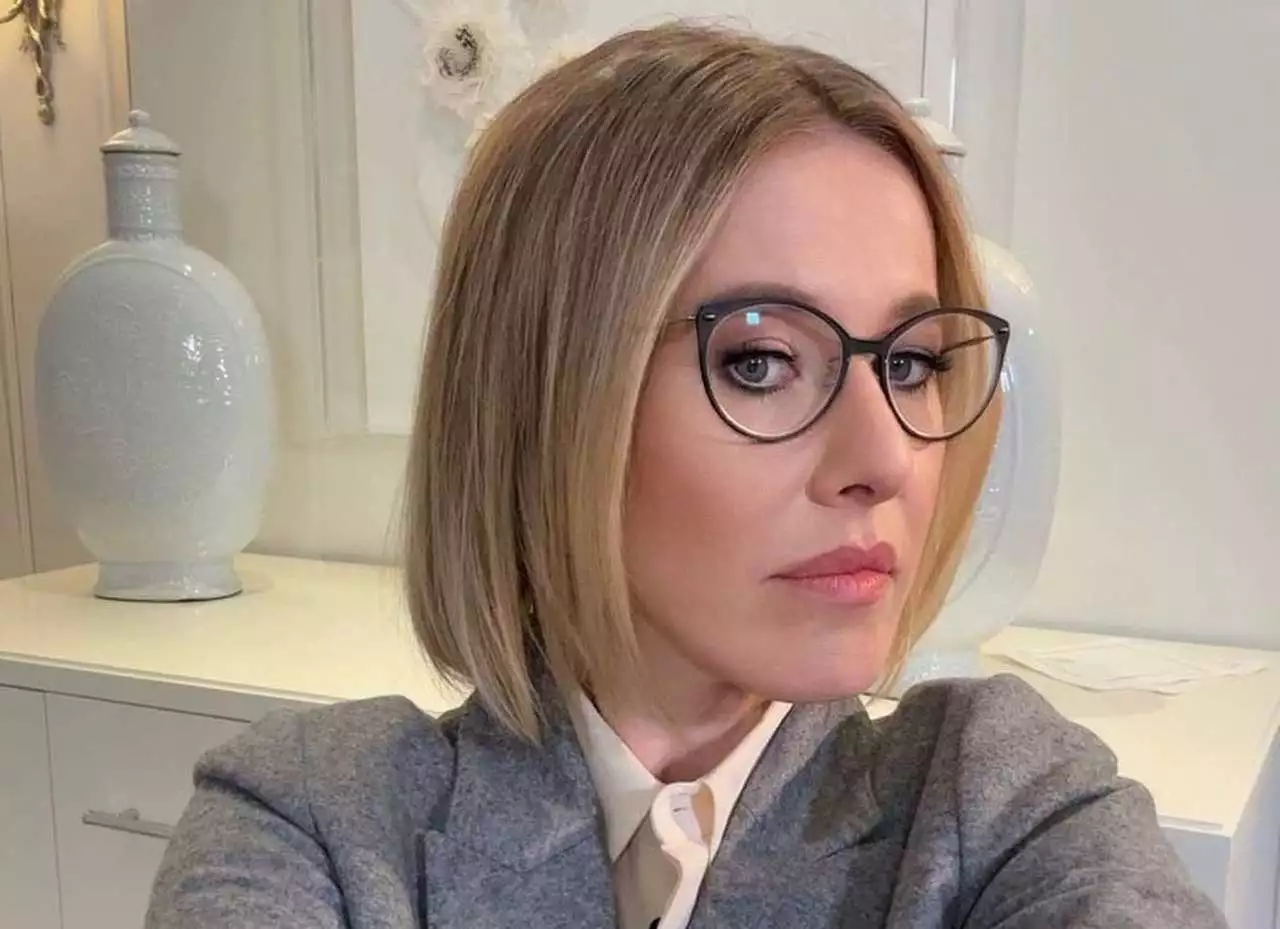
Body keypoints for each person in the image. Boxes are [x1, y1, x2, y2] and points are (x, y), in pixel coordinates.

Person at [146, 23, 1225, 929]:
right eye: (760, 361)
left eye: (909, 364)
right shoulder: (314, 823)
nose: (884, 458)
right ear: (547, 396)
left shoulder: (1002, 801)